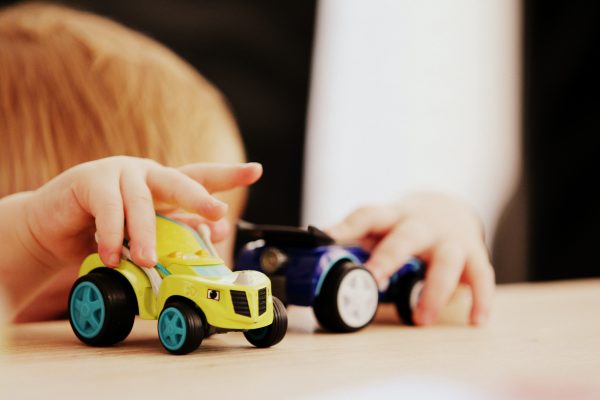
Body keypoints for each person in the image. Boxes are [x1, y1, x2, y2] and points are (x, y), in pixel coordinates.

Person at [0, 3, 493, 327]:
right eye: (58, 315)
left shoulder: (212, 270)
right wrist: (29, 238)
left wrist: (432, 223)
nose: (208, 245)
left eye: (208, 232)